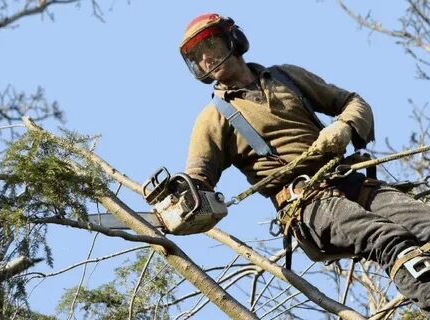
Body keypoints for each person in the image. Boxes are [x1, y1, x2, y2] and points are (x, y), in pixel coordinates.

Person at [179, 13, 430, 314]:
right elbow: (198, 181)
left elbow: (353, 101)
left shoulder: (286, 77)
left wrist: (345, 127)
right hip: (306, 204)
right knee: (386, 237)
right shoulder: (213, 117)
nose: (206, 58)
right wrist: (178, 204)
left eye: (209, 45)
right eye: (197, 55)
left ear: (232, 39)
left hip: (348, 179)